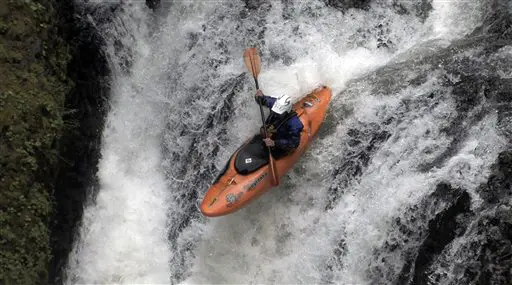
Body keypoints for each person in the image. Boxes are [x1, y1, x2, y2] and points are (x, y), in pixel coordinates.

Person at [255, 89, 304, 159]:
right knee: (264, 130)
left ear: (286, 111)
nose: (275, 114)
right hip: (272, 132)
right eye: (275, 111)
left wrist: (274, 143)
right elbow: (264, 100)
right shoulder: (275, 104)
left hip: (280, 142)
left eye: (278, 113)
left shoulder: (295, 125)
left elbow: (294, 143)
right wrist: (259, 96)